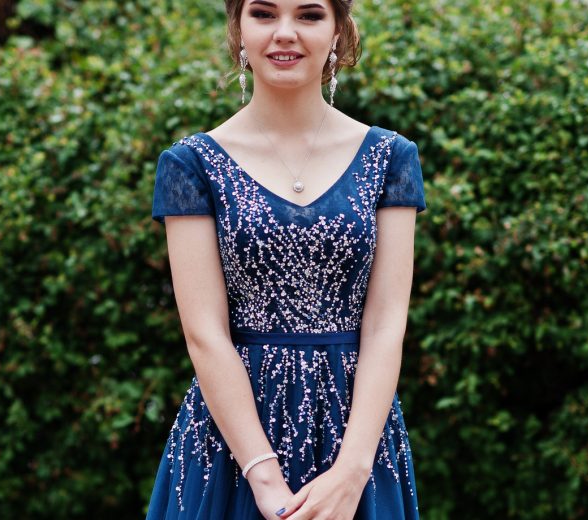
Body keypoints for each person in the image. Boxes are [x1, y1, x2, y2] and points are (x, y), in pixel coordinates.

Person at [146, 0, 427, 518]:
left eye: (309, 15)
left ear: (339, 29)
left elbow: (387, 323)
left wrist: (352, 471)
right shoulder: (190, 164)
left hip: (358, 433)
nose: (284, 33)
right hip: (231, 445)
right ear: (238, 29)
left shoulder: (391, 157)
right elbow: (204, 333)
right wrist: (264, 477)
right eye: (263, 13)